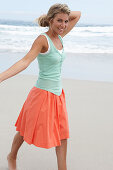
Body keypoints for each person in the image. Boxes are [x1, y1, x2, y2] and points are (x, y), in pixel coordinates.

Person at [0, 3, 81, 170]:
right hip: (41, 94)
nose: (64, 25)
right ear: (50, 20)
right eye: (59, 20)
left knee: (62, 135)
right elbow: (24, 62)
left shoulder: (60, 35)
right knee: (24, 130)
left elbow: (78, 14)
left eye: (66, 21)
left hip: (58, 95)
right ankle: (12, 156)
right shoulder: (42, 40)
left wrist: (60, 13)